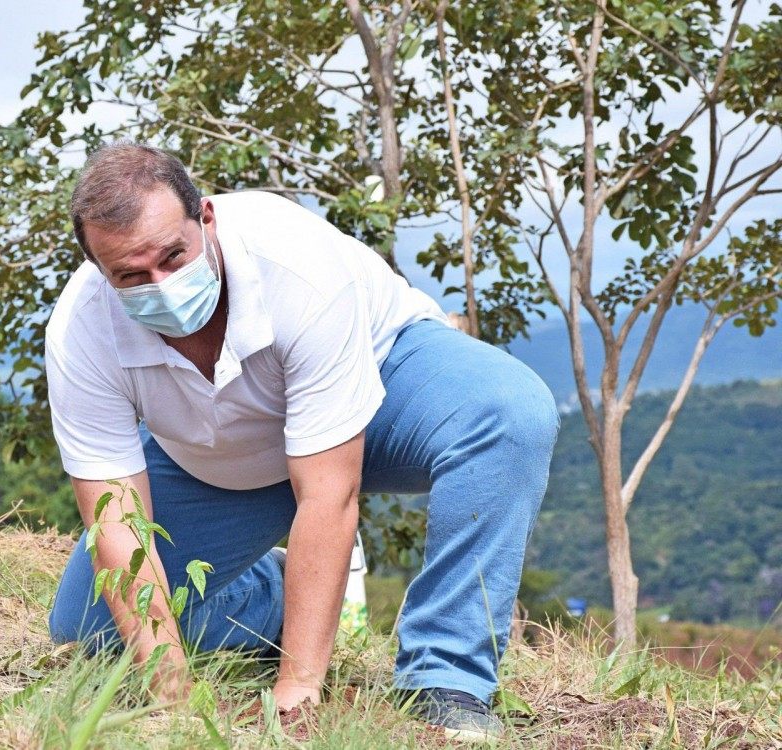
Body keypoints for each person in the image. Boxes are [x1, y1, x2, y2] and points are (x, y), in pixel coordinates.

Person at [45, 142, 559, 742]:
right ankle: (279, 594)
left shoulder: (297, 269)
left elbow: (328, 495)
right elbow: (117, 519)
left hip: (384, 384)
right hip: (221, 459)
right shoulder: (80, 330)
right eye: (131, 276)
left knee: (511, 413)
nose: (160, 285)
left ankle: (445, 677)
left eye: (173, 257)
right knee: (90, 626)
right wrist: (169, 691)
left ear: (206, 218)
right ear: (99, 270)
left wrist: (298, 684)